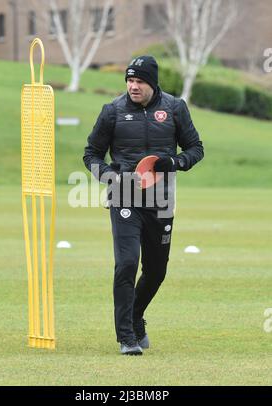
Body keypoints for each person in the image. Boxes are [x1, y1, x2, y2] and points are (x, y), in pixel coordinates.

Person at [83, 55, 204, 355]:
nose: (133, 86)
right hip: (124, 199)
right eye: (129, 80)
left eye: (139, 81)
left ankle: (136, 317)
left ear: (152, 83)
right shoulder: (112, 111)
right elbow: (91, 154)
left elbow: (196, 149)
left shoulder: (175, 108)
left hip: (161, 201)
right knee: (126, 264)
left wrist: (173, 162)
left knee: (156, 270)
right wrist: (110, 176)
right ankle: (126, 337)